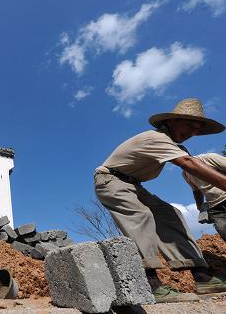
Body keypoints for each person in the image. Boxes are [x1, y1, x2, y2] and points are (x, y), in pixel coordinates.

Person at [94, 98, 226, 303]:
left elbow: (193, 167)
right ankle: (150, 284)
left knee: (170, 214)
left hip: (133, 184)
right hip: (110, 179)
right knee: (141, 216)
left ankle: (203, 277)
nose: (192, 132)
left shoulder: (175, 146)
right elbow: (189, 164)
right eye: (188, 124)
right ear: (172, 121)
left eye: (197, 129)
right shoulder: (156, 138)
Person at [183, 153, 226, 241]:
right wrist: (200, 206)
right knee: (223, 230)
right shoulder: (185, 173)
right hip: (215, 207)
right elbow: (196, 190)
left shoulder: (208, 158)